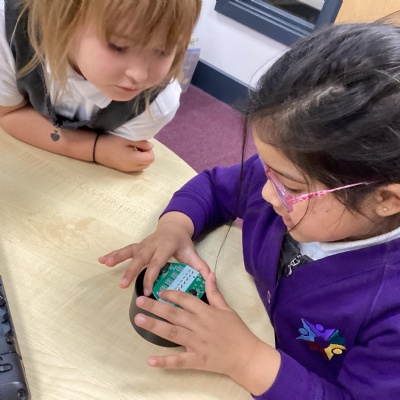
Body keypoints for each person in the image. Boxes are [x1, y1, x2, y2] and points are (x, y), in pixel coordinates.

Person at [99, 22, 400, 399]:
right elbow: (214, 187)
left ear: (386, 200)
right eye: (267, 168)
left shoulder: (390, 311)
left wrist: (246, 360)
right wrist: (174, 227)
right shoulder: (290, 172)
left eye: (290, 187)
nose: (266, 192)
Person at [0, 0, 201, 172]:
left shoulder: (156, 105)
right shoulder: (10, 31)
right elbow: (7, 115)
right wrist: (97, 149)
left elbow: (111, 162)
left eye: (163, 51)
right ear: (64, 18)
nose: (139, 75)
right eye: (118, 46)